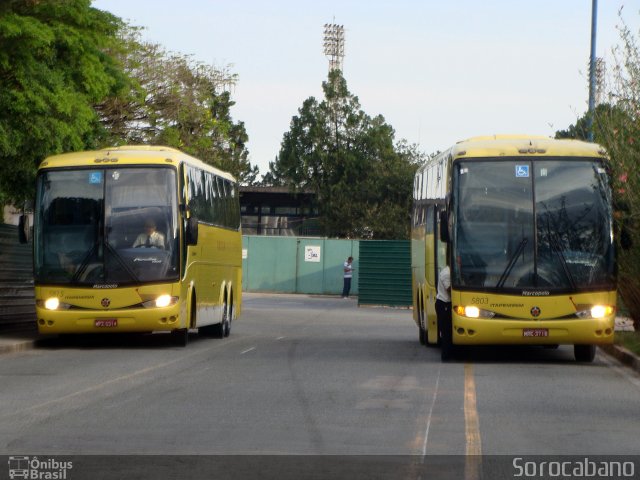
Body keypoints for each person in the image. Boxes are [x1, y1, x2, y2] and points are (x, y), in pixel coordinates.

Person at [435, 264, 451, 331]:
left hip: (446, 304)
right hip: (443, 304)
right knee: (445, 329)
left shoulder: (450, 271)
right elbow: (449, 289)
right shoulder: (446, 273)